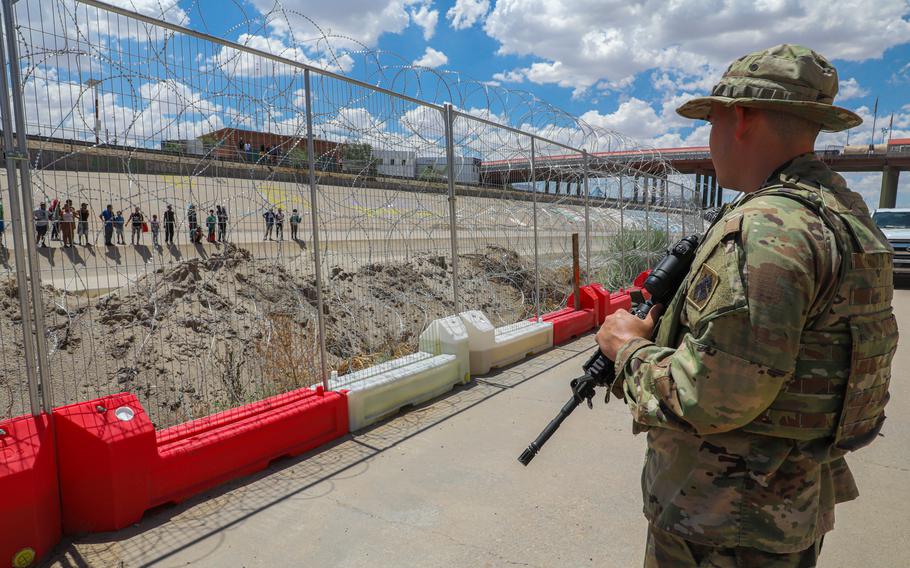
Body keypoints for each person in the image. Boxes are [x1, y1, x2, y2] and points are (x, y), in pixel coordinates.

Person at [594, 45, 896, 568]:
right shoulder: (844, 214)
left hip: (721, 521)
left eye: (711, 119)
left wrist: (626, 351)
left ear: (740, 118)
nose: (708, 138)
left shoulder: (767, 229)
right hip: (784, 505)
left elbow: (713, 397)